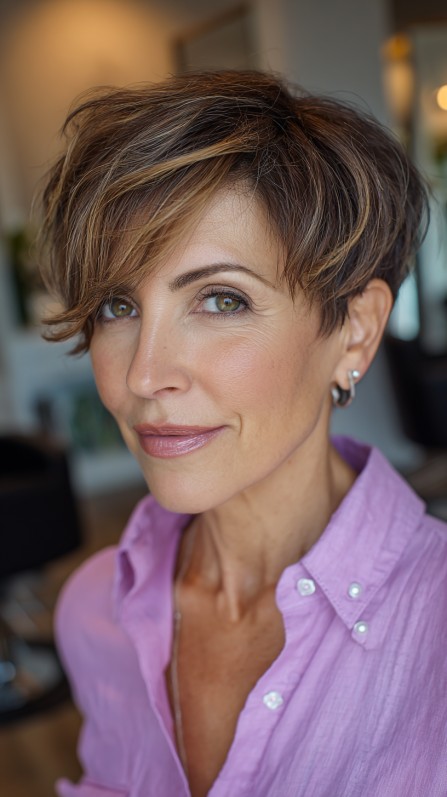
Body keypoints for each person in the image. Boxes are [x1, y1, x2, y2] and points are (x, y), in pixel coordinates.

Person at [38, 70, 447, 797]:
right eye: (117, 306)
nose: (144, 375)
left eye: (221, 299)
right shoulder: (96, 613)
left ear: (354, 331)